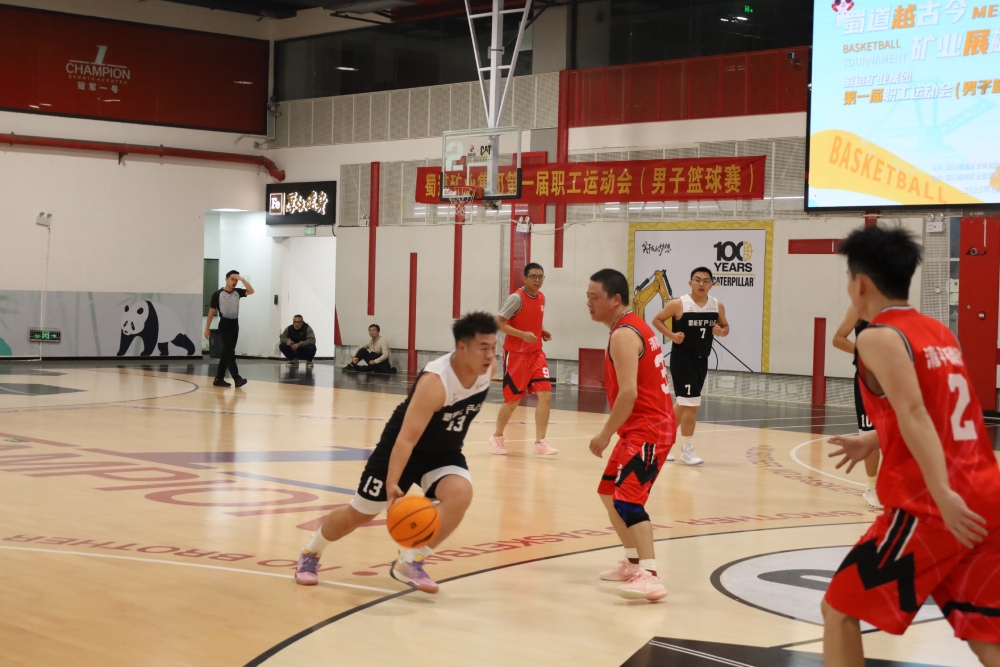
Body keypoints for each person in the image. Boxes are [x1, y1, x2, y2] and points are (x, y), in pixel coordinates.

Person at [823, 225, 1000, 667]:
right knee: (983, 628)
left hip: (933, 505)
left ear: (860, 284)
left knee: (838, 609)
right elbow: (945, 411)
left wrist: (942, 494)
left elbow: (916, 412)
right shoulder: (939, 331)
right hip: (985, 494)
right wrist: (872, 437)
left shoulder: (876, 336)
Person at [295, 312, 498, 594]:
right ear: (462, 347)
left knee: (461, 494)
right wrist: (392, 482)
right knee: (360, 514)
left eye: (493, 347)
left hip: (442, 451)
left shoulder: (487, 368)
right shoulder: (436, 382)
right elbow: (406, 438)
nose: (490, 355)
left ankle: (411, 561)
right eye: (483, 348)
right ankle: (312, 550)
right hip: (402, 446)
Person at [587, 268, 676, 602]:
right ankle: (633, 562)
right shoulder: (630, 325)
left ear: (615, 299)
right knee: (608, 492)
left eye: (594, 297)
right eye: (587, 297)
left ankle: (650, 576)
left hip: (649, 429)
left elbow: (628, 394)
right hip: (639, 428)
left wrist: (604, 434)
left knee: (628, 499)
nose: (588, 303)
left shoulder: (624, 334)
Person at [651, 267, 729, 466]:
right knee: (692, 405)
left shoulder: (717, 305)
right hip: (682, 359)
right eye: (697, 279)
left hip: (702, 360)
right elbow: (657, 320)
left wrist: (721, 331)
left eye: (706, 280)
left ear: (711, 284)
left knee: (684, 403)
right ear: (690, 283)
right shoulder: (679, 304)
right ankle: (687, 449)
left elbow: (726, 327)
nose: (701, 284)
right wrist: (671, 335)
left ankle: (662, 442)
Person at [488, 262, 558, 456]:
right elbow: (499, 323)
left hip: (536, 354)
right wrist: (522, 335)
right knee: (512, 401)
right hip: (516, 356)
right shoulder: (516, 298)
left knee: (546, 394)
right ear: (525, 278)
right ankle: (497, 437)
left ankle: (540, 442)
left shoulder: (541, 297)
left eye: (541, 277)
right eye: (533, 276)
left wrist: (540, 330)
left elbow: (531, 319)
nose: (537, 280)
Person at [832, 304, 882, 509]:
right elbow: (837, 339)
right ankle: (871, 487)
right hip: (867, 380)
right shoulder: (859, 307)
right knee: (870, 434)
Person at [204, 270, 253, 388]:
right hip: (224, 325)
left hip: (235, 325)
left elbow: (251, 291)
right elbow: (211, 312)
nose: (234, 282)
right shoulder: (218, 294)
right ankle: (237, 378)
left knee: (227, 352)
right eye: (232, 279)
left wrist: (242, 279)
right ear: (226, 279)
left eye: (236, 280)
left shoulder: (238, 292)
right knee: (230, 352)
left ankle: (219, 378)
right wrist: (207, 328)